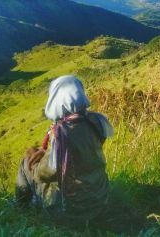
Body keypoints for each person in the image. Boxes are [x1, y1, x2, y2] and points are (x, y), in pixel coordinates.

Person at [15, 75, 114, 222]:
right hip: (100, 200)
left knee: (26, 163)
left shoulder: (62, 134)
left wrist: (34, 158)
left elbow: (41, 175)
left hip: (71, 210)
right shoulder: (96, 120)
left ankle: (20, 210)